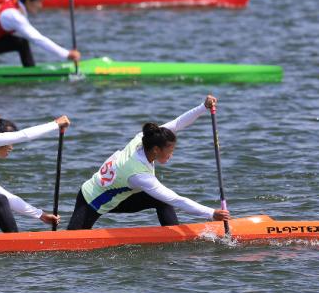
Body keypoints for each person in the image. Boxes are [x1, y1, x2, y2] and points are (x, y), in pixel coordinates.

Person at [66, 96, 231, 230]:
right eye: (170, 151)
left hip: (120, 194)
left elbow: (177, 123)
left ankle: (173, 237)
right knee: (71, 246)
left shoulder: (144, 139)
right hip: (91, 200)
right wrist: (211, 213)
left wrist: (203, 107)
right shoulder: (139, 174)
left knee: (161, 200)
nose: (172, 155)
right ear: (156, 150)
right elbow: (177, 200)